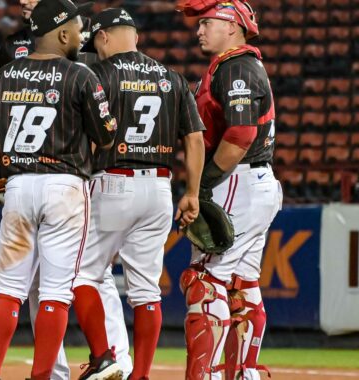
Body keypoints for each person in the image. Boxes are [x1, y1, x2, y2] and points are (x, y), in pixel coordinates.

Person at [0, 1, 133, 377]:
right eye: (78, 30)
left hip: (17, 187)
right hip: (65, 187)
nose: (82, 37)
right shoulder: (81, 76)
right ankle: (42, 375)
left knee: (8, 289)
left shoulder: (4, 76)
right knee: (55, 292)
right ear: (63, 33)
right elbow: (107, 134)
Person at [72, 8, 205, 380]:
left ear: (102, 37)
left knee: (80, 275)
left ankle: (104, 357)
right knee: (146, 291)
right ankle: (141, 374)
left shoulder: (96, 74)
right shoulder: (172, 78)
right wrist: (191, 192)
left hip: (113, 180)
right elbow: (195, 138)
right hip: (160, 187)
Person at [176, 1, 282, 379]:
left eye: (207, 22)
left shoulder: (236, 66)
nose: (199, 30)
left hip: (236, 178)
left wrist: (202, 183)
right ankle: (244, 372)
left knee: (204, 280)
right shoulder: (238, 65)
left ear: (233, 26)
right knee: (242, 283)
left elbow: (240, 133)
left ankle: (204, 374)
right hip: (256, 180)